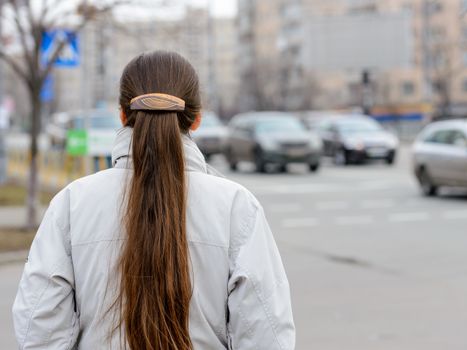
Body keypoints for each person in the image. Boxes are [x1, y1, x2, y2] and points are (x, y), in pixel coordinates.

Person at [12, 51, 295, 350]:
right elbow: (267, 334)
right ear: (196, 120)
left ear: (122, 115)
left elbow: (38, 328)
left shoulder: (71, 204)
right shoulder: (236, 207)